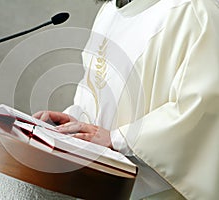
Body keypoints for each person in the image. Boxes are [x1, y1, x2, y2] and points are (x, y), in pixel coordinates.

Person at [33, 0, 219, 199]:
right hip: (100, 183)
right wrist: (74, 123)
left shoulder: (192, 10)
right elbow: (97, 90)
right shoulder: (109, 12)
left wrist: (118, 139)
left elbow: (202, 107)